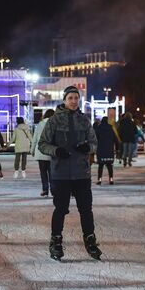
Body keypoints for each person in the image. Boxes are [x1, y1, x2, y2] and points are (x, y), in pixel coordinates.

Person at [39, 85, 102, 261]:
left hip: (81, 173)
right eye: (70, 98)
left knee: (86, 209)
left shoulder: (84, 120)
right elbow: (42, 144)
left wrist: (87, 147)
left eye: (76, 98)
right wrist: (57, 151)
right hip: (61, 174)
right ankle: (56, 241)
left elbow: (94, 143)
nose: (74, 101)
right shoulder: (54, 121)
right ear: (64, 100)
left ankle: (90, 239)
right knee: (60, 209)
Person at [31, 109, 55, 196]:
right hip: (51, 152)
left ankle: (45, 190)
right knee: (52, 172)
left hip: (41, 152)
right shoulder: (54, 124)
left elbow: (35, 138)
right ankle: (53, 190)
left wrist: (32, 150)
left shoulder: (40, 124)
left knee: (43, 172)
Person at [94, 116, 119, 185]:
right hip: (109, 149)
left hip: (101, 149)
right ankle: (111, 179)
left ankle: (99, 179)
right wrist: (117, 148)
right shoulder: (111, 128)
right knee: (109, 165)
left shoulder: (99, 128)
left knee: (100, 165)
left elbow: (95, 139)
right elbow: (115, 139)